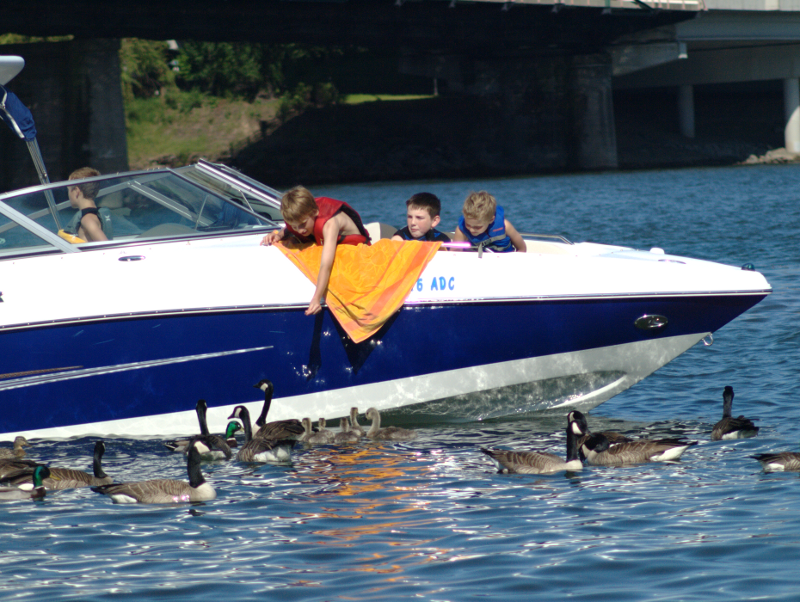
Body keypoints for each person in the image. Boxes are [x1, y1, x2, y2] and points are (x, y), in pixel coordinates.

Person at [261, 185, 371, 315]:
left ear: (314, 212)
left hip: (355, 250)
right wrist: (278, 235)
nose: (300, 230)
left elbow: (326, 265)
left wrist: (316, 298)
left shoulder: (329, 224)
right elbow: (289, 228)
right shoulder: (301, 219)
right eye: (295, 226)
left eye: (303, 224)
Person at [453, 191, 526, 253]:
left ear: (491, 220)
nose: (471, 230)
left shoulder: (506, 226)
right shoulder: (461, 231)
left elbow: (522, 248)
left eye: (477, 227)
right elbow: (454, 254)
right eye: (468, 225)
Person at [67, 167, 107, 242]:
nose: (68, 194)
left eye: (68, 189)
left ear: (76, 191)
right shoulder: (94, 214)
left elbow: (106, 245)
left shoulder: (87, 219)